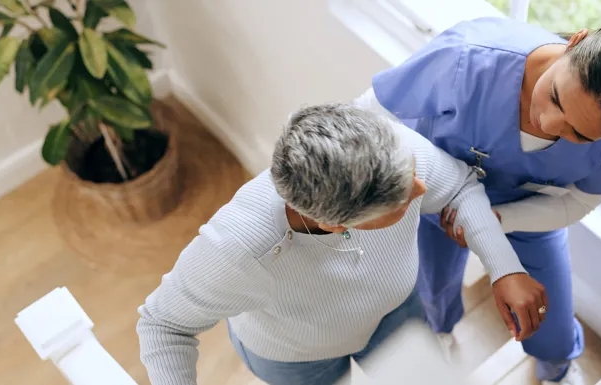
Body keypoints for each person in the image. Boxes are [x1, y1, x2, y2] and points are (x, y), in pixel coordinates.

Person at [357, 18, 601, 384]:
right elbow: (369, 114)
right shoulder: (467, 58)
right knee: (432, 289)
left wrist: (499, 221)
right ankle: (440, 332)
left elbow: (579, 202)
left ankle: (556, 367)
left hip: (529, 212)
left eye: (577, 133)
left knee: (550, 315)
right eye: (556, 96)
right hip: (434, 204)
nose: (547, 122)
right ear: (575, 42)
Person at [137, 103, 543, 385]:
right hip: (299, 361)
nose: (421, 189)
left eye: (413, 174)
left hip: (397, 315)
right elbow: (163, 324)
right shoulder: (239, 248)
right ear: (334, 225)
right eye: (403, 199)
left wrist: (504, 265)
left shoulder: (390, 148)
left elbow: (457, 186)